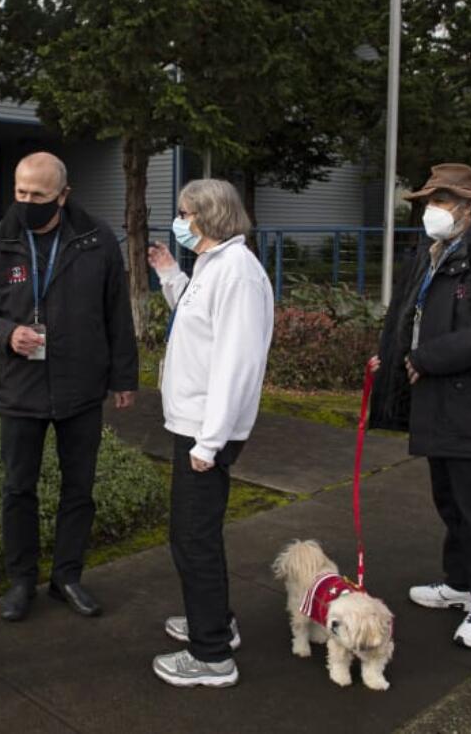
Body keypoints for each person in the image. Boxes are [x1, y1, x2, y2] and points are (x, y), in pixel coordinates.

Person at [0, 152, 139, 622]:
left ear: (63, 194)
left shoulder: (95, 241)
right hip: (21, 389)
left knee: (79, 488)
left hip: (81, 387)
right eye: (20, 192)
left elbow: (117, 312)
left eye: (38, 195)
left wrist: (123, 377)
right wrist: (6, 334)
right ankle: (20, 581)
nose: (27, 202)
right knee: (19, 489)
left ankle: (67, 577)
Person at [369, 163, 471, 650]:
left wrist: (426, 357)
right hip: (440, 401)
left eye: (440, 202)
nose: (431, 211)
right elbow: (411, 314)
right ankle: (459, 583)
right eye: (429, 202)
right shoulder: (434, 251)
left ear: (468, 207)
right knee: (450, 501)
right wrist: (394, 355)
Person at [146, 178, 274, 688]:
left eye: (185, 212)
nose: (179, 220)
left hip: (206, 429)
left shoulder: (237, 273)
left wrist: (210, 441)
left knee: (192, 538)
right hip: (195, 424)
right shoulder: (212, 264)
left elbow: (235, 364)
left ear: (209, 216)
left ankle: (212, 655)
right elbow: (197, 323)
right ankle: (214, 622)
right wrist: (169, 274)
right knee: (196, 533)